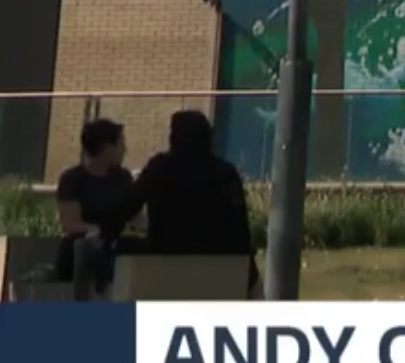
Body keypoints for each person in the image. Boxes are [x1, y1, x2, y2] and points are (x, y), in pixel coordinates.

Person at [131, 109, 258, 294]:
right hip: (217, 262)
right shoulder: (224, 172)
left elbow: (130, 203)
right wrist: (247, 264)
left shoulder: (160, 167)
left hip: (167, 259)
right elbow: (239, 224)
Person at [53, 118, 137, 297]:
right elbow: (69, 223)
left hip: (116, 250)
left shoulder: (123, 178)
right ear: (107, 148)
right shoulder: (73, 179)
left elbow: (135, 215)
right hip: (81, 251)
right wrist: (98, 231)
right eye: (121, 144)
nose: (125, 150)